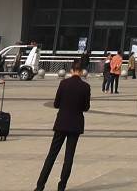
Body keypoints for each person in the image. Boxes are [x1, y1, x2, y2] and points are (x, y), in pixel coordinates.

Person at [37, 57, 93, 191]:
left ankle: (40, 186)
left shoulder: (63, 84)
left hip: (61, 122)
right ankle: (61, 186)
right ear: (82, 72)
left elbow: (56, 104)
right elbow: (86, 107)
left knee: (52, 155)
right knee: (69, 157)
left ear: (71, 70)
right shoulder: (85, 87)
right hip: (75, 124)